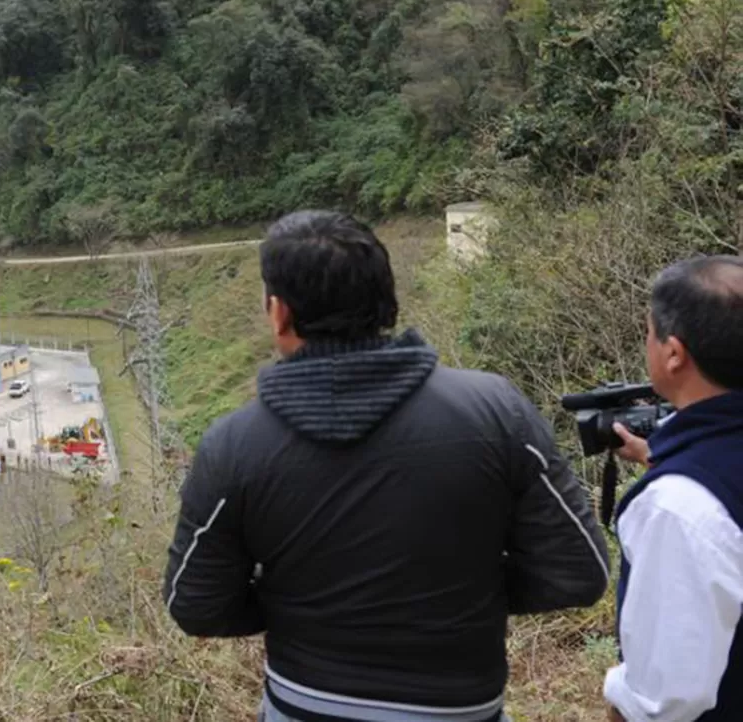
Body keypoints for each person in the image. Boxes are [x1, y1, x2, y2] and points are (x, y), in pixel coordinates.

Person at [163, 210, 608, 722]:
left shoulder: (234, 444)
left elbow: (194, 605)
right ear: (387, 301)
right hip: (464, 709)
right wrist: (465, 594)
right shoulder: (495, 410)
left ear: (278, 313)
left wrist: (297, 606)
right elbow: (579, 573)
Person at [605, 256, 743, 722]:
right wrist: (657, 454)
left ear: (673, 354)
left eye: (649, 332)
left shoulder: (678, 508)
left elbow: (666, 703)